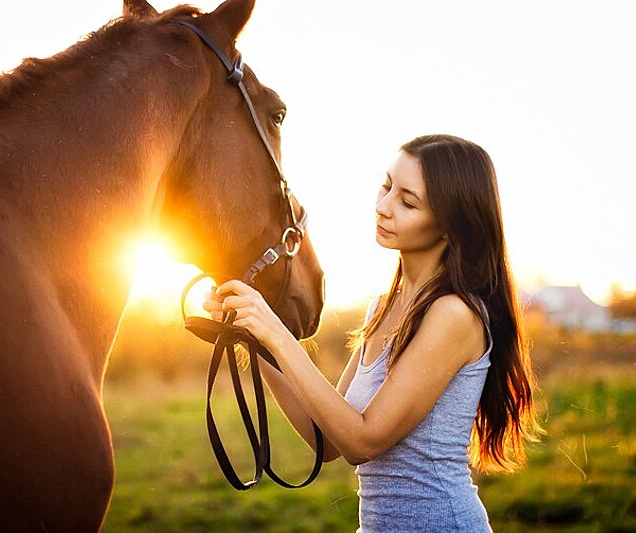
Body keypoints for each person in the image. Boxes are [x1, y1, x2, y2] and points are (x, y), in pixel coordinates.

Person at [204, 134, 540, 532]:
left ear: (450, 226)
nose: (383, 207)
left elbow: (362, 442)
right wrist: (253, 338)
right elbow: (328, 440)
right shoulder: (383, 307)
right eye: (387, 186)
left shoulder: (454, 314)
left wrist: (276, 332)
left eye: (407, 202)